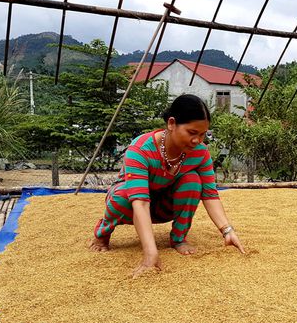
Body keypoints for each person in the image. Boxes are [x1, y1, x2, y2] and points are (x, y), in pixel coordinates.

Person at [89, 94, 245, 277]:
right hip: (131, 206)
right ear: (171, 124)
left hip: (164, 206)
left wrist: (227, 230)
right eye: (192, 133)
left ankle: (178, 239)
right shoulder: (140, 150)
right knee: (122, 195)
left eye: (203, 134)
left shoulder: (200, 153)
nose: (198, 141)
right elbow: (140, 201)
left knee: (193, 181)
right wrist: (150, 253)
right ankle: (102, 233)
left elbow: (210, 194)